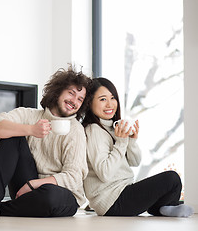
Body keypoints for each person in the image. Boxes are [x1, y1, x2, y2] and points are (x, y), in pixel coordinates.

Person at [0, 65, 91, 217]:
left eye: (80, 99)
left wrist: (34, 184)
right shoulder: (30, 115)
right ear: (58, 91)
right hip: (25, 185)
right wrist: (30, 130)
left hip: (59, 193)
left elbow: (73, 177)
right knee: (12, 133)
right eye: (71, 93)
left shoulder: (76, 130)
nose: (74, 101)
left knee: (50, 196)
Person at [82, 77, 194, 217]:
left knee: (174, 182)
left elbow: (135, 162)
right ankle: (165, 207)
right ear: (89, 103)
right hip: (111, 202)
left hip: (123, 192)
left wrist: (131, 142)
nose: (110, 104)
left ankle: (162, 208)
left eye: (113, 98)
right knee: (171, 179)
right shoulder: (93, 130)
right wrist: (122, 142)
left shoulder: (112, 127)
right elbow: (105, 173)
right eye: (103, 99)